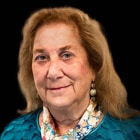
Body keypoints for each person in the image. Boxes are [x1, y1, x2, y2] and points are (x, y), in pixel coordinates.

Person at [1, 6, 140, 140]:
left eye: (66, 55)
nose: (53, 72)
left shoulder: (132, 132)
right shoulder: (13, 134)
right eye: (42, 57)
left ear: (94, 66)